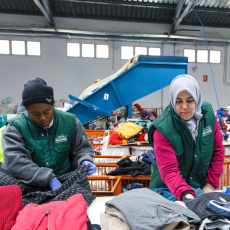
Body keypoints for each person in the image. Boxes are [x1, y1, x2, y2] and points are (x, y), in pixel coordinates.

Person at [2, 78, 96, 190]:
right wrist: (48, 178)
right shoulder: (15, 128)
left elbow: (82, 149)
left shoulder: (70, 122)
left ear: (53, 106)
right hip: (32, 189)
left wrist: (85, 159)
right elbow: (16, 163)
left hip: (68, 185)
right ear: (26, 110)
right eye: (35, 114)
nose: (42, 118)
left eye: (47, 112)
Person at [148, 75, 225, 201]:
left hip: (200, 188)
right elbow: (169, 171)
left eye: (189, 100)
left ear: (197, 98)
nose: (184, 106)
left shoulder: (208, 116)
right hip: (167, 190)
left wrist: (210, 185)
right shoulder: (162, 128)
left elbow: (217, 151)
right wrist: (187, 196)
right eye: (179, 101)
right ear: (173, 100)